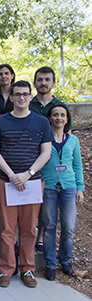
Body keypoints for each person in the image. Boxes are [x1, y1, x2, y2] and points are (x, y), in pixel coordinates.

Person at [0, 79, 53, 288]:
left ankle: (27, 269)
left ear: (31, 97)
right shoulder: (0, 122)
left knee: (28, 229)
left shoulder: (42, 122)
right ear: (11, 97)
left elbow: (46, 152)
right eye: (17, 94)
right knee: (6, 229)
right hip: (4, 181)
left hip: (32, 183)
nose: (21, 98)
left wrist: (27, 174)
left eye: (25, 94)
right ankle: (6, 270)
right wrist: (12, 175)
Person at [42, 103, 85, 280]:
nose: (59, 118)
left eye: (62, 115)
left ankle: (65, 261)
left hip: (68, 187)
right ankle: (50, 264)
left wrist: (80, 188)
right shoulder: (44, 139)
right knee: (49, 226)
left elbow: (77, 165)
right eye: (55, 115)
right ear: (50, 118)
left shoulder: (73, 140)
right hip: (49, 187)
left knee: (68, 227)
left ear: (67, 119)